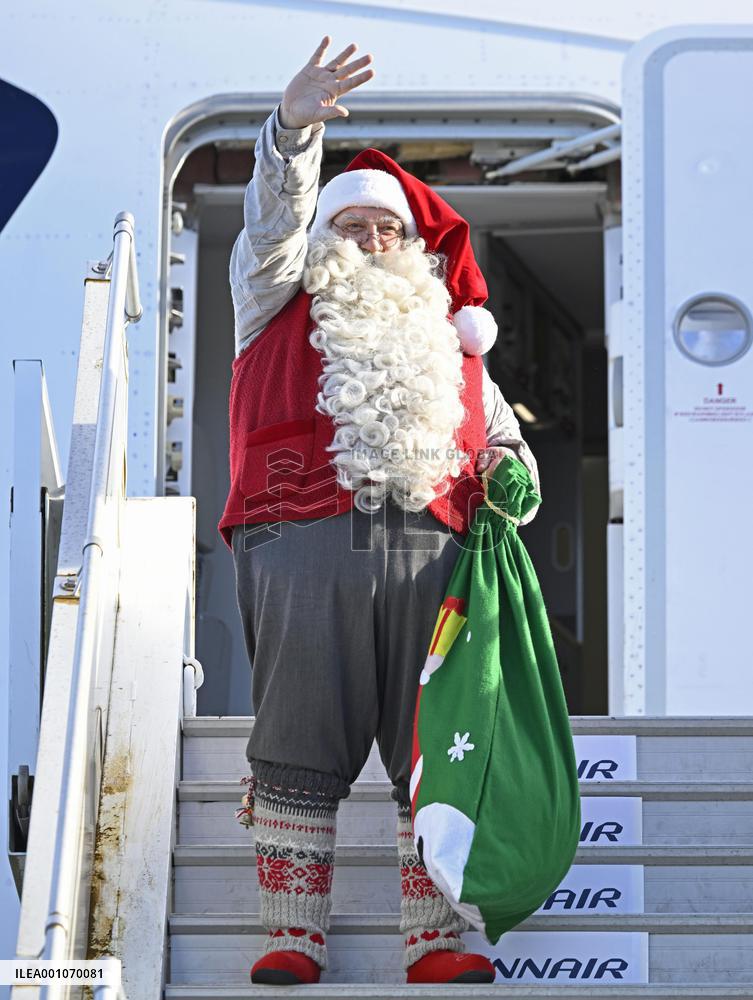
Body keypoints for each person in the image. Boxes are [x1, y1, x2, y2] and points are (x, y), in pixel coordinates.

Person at [217, 35, 542, 987]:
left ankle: (436, 937)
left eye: (386, 230)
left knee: (433, 737)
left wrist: (514, 478)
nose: (369, 240)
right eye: (351, 226)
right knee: (297, 733)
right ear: (322, 238)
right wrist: (291, 132)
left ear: (412, 246)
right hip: (297, 542)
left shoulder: (452, 342)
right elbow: (272, 219)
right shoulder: (272, 293)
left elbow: (500, 444)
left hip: (427, 557)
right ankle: (291, 932)